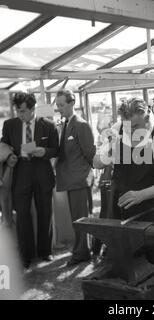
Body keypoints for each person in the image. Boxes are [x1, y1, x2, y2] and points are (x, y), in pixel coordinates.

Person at [93, 98, 154, 267]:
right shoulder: (117, 130)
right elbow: (96, 163)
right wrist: (109, 151)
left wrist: (141, 195)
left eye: (136, 126)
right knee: (119, 260)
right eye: (127, 127)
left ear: (147, 119)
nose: (130, 132)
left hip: (150, 211)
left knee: (153, 262)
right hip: (119, 210)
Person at [1, 92, 59, 269]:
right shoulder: (9, 124)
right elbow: (3, 145)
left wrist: (45, 152)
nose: (20, 114)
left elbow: (56, 149)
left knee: (45, 212)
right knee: (23, 215)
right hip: (21, 174)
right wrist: (10, 156)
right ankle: (25, 255)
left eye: (23, 111)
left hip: (43, 173)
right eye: (18, 111)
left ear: (33, 109)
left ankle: (45, 251)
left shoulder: (49, 125)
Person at [55, 89, 96, 267]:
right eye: (57, 105)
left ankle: (82, 252)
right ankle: (82, 250)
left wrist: (88, 175)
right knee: (77, 219)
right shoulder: (66, 124)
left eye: (61, 105)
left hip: (79, 179)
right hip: (71, 180)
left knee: (81, 219)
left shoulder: (81, 125)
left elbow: (90, 154)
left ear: (72, 103)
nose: (59, 109)